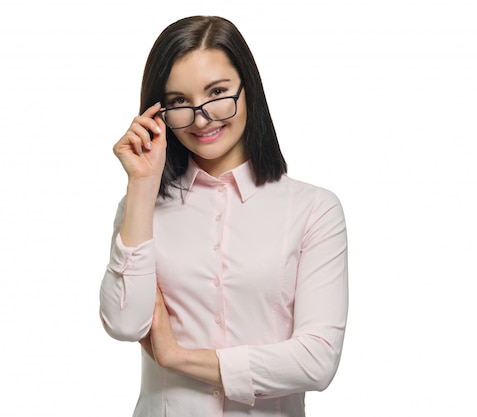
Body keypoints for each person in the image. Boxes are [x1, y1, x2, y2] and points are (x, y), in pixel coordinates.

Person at [99, 15, 348, 417]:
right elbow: (124, 323)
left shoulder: (314, 210)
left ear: (248, 87)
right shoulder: (139, 208)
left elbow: (317, 361)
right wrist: (143, 187)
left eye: (217, 92)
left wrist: (177, 357)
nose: (201, 118)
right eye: (179, 102)